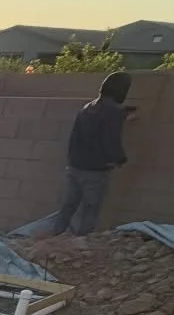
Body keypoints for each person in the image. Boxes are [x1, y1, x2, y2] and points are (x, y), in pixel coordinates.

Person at [49, 71, 134, 236]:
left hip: (75, 166)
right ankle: (83, 241)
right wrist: (120, 159)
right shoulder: (114, 112)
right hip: (95, 170)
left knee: (68, 205)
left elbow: (81, 133)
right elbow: (111, 138)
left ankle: (55, 234)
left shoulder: (87, 107)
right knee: (90, 208)